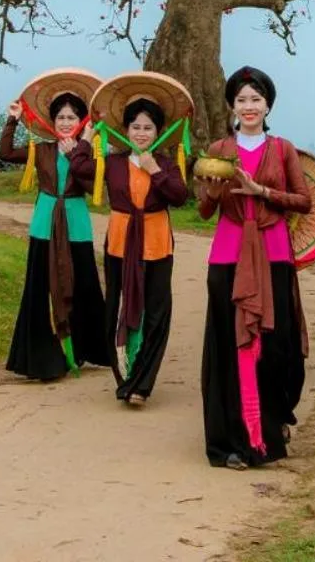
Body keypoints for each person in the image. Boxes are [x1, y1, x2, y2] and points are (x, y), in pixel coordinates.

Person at [198, 66, 312, 470]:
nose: (249, 107)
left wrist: (261, 191)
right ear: (232, 105)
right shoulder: (218, 149)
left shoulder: (283, 149)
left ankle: (269, 428)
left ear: (268, 105)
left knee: (274, 346)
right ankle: (231, 441)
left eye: (256, 99)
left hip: (273, 252)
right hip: (228, 254)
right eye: (242, 99)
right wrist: (213, 194)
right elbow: (204, 210)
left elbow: (304, 201)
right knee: (230, 348)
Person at [0, 75, 112, 379]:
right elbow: (6, 153)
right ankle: (43, 358)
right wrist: (11, 121)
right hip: (44, 223)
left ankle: (86, 350)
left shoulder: (88, 150)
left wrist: (79, 149)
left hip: (76, 223)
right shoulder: (42, 149)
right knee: (40, 288)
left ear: (81, 120)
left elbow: (90, 183)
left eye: (71, 117)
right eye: (60, 116)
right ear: (52, 120)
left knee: (84, 286)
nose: (64, 122)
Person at [100, 94, 190, 406]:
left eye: (148, 128)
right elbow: (80, 171)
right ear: (125, 130)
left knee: (156, 312)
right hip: (120, 242)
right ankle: (123, 374)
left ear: (158, 131)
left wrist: (154, 170)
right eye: (135, 127)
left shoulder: (166, 164)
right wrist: (86, 137)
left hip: (156, 242)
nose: (141, 133)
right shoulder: (111, 163)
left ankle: (142, 382)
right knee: (114, 308)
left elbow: (180, 196)